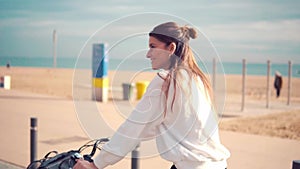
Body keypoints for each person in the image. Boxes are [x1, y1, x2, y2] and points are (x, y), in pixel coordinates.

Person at [74, 22, 230, 169]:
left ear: (171, 48)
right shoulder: (197, 79)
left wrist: (97, 164)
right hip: (218, 165)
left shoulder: (166, 81)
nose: (148, 54)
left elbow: (134, 127)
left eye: (153, 47)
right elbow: (156, 125)